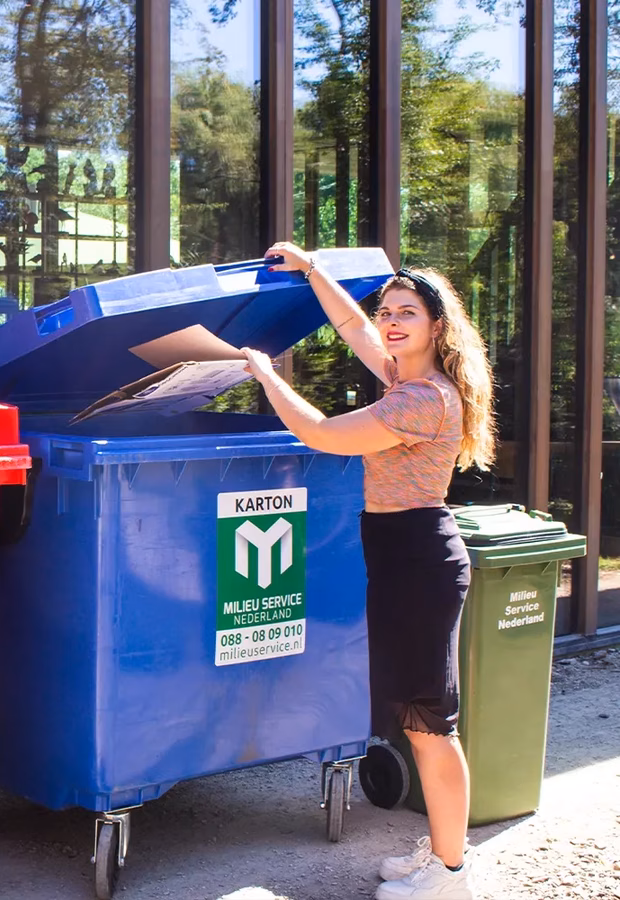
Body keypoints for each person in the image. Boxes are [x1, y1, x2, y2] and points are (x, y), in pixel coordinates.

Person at [241, 242, 495, 900]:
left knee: (430, 726)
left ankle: (452, 875)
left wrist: (266, 375)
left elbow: (322, 433)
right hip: (403, 557)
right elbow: (352, 327)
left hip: (417, 562)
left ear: (437, 326)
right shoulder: (404, 380)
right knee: (419, 720)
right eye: (387, 311)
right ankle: (444, 854)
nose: (389, 321)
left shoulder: (423, 400)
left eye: (406, 312)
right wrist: (312, 270)